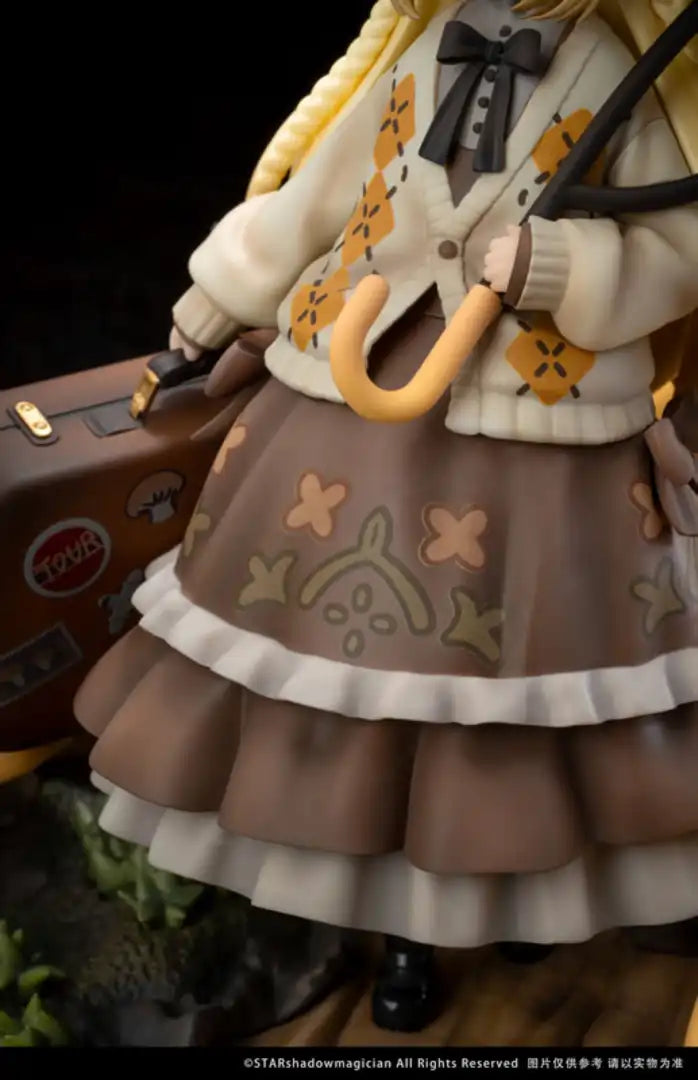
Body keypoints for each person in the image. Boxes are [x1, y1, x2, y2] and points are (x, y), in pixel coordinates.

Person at [74, 0, 698, 1033]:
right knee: (353, 688)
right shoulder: (413, 50)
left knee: (516, 699)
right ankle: (401, 928)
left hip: (533, 415)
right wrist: (223, 292)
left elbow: (679, 241)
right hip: (352, 382)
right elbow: (323, 188)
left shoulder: (617, 75)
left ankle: (522, 894)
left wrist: (564, 267)